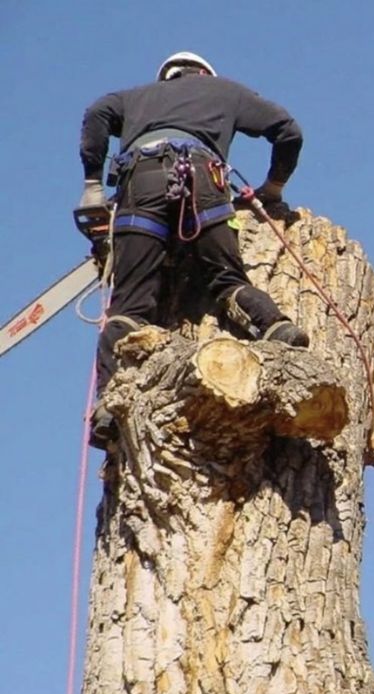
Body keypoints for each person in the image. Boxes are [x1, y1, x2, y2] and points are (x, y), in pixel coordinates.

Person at [78, 51, 309, 448]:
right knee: (227, 280)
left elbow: (96, 113)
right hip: (204, 180)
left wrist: (93, 185)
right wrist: (273, 188)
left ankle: (110, 404)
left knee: (129, 306)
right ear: (204, 73)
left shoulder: (132, 97)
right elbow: (289, 131)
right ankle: (275, 326)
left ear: (166, 77)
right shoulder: (226, 91)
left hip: (141, 183)